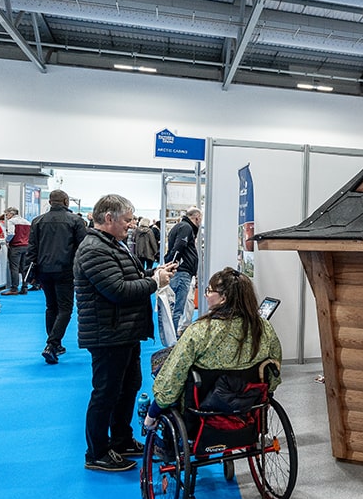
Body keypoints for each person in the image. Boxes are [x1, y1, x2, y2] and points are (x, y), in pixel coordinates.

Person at [75, 194, 176, 472]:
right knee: (106, 393)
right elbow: (117, 290)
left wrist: (155, 273)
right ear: (109, 219)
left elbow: (128, 278)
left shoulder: (112, 245)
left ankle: (120, 440)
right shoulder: (94, 249)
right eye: (128, 220)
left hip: (123, 332)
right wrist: (155, 282)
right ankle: (96, 452)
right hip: (108, 334)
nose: (131, 225)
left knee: (128, 387)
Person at [144, 267, 282, 429]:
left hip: (203, 409)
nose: (205, 295)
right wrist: (268, 392)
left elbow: (174, 376)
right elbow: (275, 364)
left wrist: (153, 411)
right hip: (248, 404)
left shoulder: (200, 331)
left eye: (209, 291)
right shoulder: (263, 328)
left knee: (165, 363)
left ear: (223, 298)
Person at [25, 190, 88, 364]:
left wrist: (30, 273)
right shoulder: (76, 221)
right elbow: (83, 248)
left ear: (50, 202)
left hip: (44, 270)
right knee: (65, 308)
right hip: (66, 269)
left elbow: (31, 249)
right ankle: (52, 344)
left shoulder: (37, 221)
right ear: (66, 201)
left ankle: (55, 344)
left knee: (51, 307)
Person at [165, 206, 202, 333]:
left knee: (179, 306)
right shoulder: (186, 227)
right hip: (182, 272)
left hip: (182, 271)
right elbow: (179, 246)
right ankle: (174, 339)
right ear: (197, 217)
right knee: (178, 309)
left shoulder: (182, 226)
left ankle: (174, 335)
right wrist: (173, 263)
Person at [1, 206, 31, 295]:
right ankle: (25, 287)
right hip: (26, 246)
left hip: (15, 246)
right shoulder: (27, 222)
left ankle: (14, 288)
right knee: (24, 268)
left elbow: (11, 233)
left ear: (11, 214)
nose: (6, 217)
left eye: (7, 215)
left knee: (14, 267)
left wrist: (7, 241)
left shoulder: (11, 221)